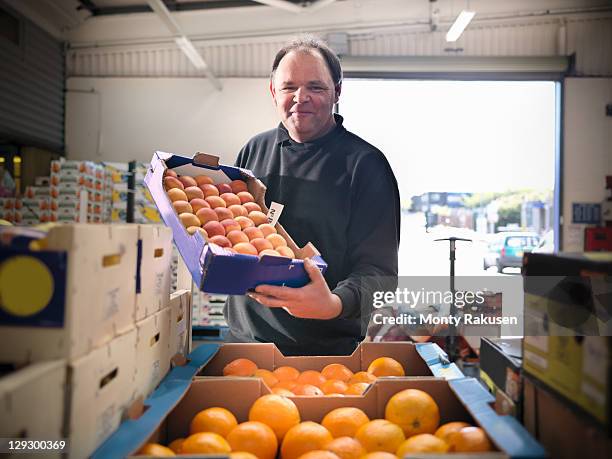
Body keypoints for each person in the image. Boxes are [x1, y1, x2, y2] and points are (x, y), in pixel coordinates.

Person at [223, 36, 400, 356]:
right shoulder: (253, 150)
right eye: (289, 87)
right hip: (243, 343)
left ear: (338, 92)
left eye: (316, 87)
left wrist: (333, 304)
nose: (300, 98)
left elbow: (381, 274)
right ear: (273, 91)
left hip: (324, 354)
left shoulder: (364, 165)